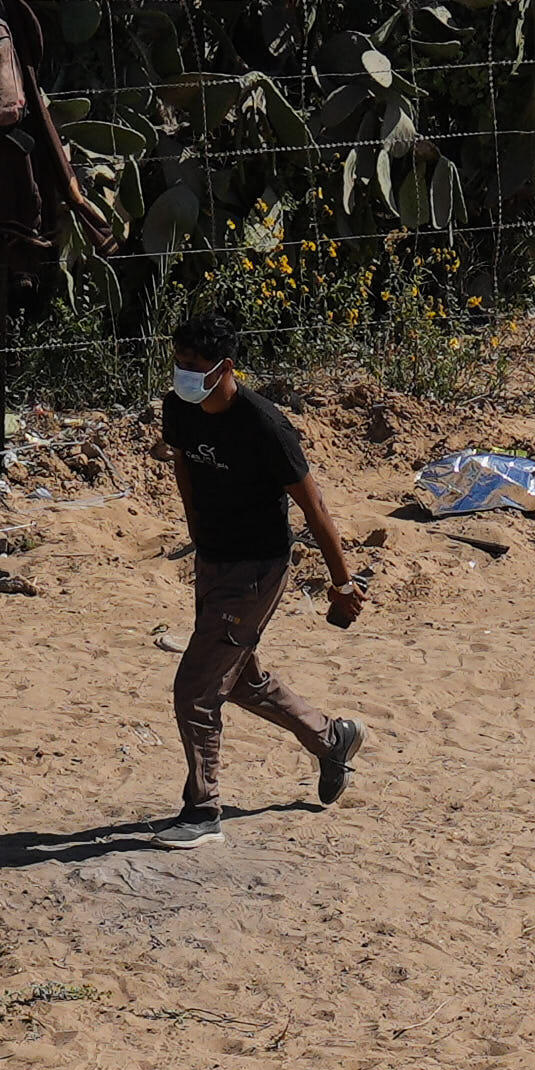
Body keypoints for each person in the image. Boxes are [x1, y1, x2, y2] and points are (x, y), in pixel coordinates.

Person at [146, 344, 369, 830]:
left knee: (196, 689)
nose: (184, 375)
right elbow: (184, 463)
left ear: (226, 367)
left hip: (257, 569)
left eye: (195, 366)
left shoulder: (267, 426)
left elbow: (315, 508)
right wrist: (198, 530)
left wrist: (342, 582)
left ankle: (202, 811)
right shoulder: (179, 407)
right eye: (178, 364)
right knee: (240, 677)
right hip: (213, 561)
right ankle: (332, 738)